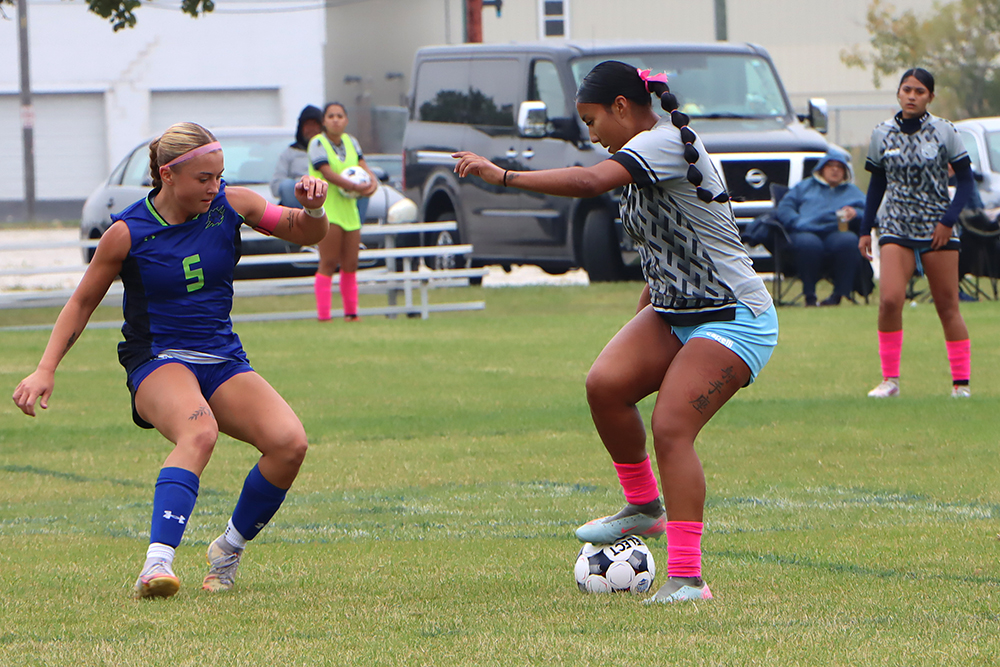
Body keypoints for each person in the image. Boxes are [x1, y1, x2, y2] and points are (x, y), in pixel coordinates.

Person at [454, 62, 778, 604]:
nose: (590, 133)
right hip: (675, 313)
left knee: (672, 428)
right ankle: (644, 508)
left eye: (591, 120)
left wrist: (503, 175)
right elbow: (665, 245)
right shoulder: (639, 155)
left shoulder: (664, 143)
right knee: (604, 385)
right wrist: (644, 311)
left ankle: (688, 579)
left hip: (734, 316)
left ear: (623, 107)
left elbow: (586, 182)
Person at [11, 122, 329, 599]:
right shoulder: (127, 232)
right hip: (158, 359)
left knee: (290, 443)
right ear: (167, 175)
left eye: (219, 176)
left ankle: (228, 549)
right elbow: (80, 304)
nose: (214, 187)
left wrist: (314, 208)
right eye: (204, 178)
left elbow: (306, 234)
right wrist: (45, 368)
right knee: (199, 430)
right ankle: (155, 564)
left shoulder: (231, 205)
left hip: (221, 357)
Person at [859, 68, 973, 399]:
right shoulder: (882, 134)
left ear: (930, 98)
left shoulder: (944, 131)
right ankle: (890, 380)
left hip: (937, 227)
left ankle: (960, 384)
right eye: (906, 89)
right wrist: (865, 229)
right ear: (898, 93)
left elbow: (965, 181)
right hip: (895, 225)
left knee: (947, 304)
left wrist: (948, 220)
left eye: (919, 91)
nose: (912, 96)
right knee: (890, 300)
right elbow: (876, 184)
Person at [308, 102, 379, 321]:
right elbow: (327, 173)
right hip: (328, 210)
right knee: (328, 261)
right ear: (324, 121)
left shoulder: (352, 142)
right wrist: (354, 186)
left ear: (346, 120)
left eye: (340, 115)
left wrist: (372, 184)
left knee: (351, 263)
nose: (336, 120)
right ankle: (324, 316)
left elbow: (363, 168)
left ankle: (351, 313)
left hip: (350, 210)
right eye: (331, 116)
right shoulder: (317, 143)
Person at [775, 148, 866, 306]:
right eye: (830, 165)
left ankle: (838, 295)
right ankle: (809, 295)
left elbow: (870, 212)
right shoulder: (804, 187)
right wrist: (796, 221)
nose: (835, 169)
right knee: (808, 244)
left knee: (849, 241)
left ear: (845, 172)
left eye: (840, 167)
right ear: (822, 168)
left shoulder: (853, 192)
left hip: (837, 230)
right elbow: (784, 207)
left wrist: (856, 213)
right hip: (805, 229)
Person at [270, 104, 324, 208]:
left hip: (327, 198)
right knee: (286, 185)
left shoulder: (330, 151)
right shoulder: (290, 152)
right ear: (301, 128)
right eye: (308, 125)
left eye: (315, 125)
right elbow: (276, 186)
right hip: (298, 202)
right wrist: (301, 186)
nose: (311, 129)